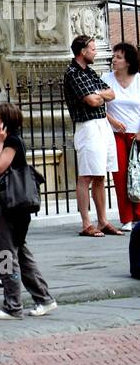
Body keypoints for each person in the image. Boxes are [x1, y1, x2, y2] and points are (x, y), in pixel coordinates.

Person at [0, 102, 57, 319]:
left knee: (6, 253)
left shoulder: (12, 140)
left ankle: (12, 305)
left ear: (4, 120)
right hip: (13, 206)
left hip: (12, 207)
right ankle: (44, 298)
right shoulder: (11, 140)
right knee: (21, 253)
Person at [64, 35, 120, 236]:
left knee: (100, 175)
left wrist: (99, 93)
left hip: (101, 125)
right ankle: (86, 223)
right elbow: (92, 101)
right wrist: (99, 95)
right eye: (93, 49)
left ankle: (103, 221)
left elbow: (111, 94)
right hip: (87, 126)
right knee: (86, 175)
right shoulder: (73, 73)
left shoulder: (90, 72)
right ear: (82, 51)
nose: (96, 52)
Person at [103, 41, 140, 228]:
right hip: (115, 133)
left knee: (138, 174)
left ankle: (139, 215)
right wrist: (113, 121)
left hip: (137, 134)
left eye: (118, 57)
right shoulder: (106, 79)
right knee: (119, 174)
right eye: (114, 56)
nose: (114, 60)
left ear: (128, 61)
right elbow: (100, 106)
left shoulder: (139, 80)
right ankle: (126, 218)